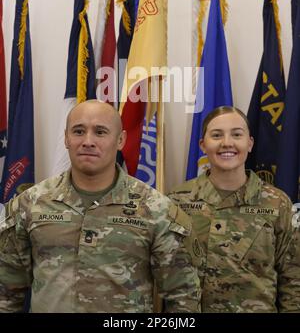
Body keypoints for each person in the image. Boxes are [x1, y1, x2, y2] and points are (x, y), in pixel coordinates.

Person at [0, 100, 201, 313]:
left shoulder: (155, 209)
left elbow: (183, 298)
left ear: (121, 139)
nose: (88, 141)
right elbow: (6, 292)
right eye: (78, 131)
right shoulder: (30, 203)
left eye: (100, 132)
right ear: (66, 138)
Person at [169, 105, 300, 313]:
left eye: (237, 134)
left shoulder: (277, 203)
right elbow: (165, 274)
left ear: (250, 143)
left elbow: (293, 279)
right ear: (203, 145)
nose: (227, 143)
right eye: (217, 135)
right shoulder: (176, 201)